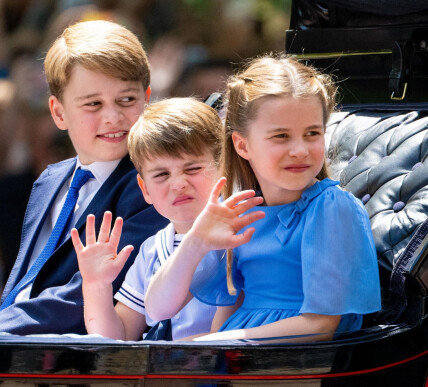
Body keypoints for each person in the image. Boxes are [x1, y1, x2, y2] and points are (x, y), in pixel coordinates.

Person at [0, 20, 167, 335]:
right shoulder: (50, 181)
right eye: (93, 103)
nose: (113, 116)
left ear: (147, 98)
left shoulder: (151, 184)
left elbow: (88, 296)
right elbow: (37, 288)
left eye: (127, 100)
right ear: (59, 113)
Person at [145, 53, 382, 342]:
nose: (300, 150)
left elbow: (320, 326)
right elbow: (159, 309)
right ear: (243, 145)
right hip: (237, 355)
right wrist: (196, 240)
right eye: (281, 136)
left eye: (312, 133)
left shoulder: (331, 208)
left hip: (291, 360)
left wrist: (208, 343)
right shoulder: (240, 211)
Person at [73, 97, 260, 341]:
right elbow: (119, 338)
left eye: (192, 169)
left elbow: (225, 336)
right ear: (145, 189)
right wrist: (96, 284)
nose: (178, 184)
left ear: (223, 166)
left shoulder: (244, 231)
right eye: (161, 174)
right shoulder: (152, 251)